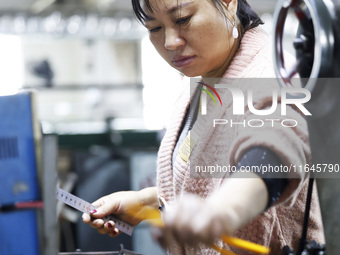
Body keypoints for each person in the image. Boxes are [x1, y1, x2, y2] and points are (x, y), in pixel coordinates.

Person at [82, 0, 325, 254]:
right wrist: (148, 202)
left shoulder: (268, 76)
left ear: (229, 3)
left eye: (182, 19)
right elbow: (209, 182)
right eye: (154, 28)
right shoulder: (203, 80)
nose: (170, 42)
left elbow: (274, 149)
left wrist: (220, 213)